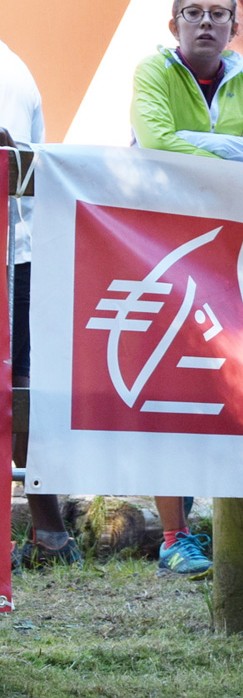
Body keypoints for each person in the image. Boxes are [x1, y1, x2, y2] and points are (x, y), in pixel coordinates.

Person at [131, 0, 243, 578]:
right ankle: (174, 537)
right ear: (173, 22)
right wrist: (233, 153)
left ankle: (219, 529)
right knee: (168, 389)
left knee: (225, 386)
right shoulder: (153, 73)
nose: (206, 23)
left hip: (227, 253)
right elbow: (156, 144)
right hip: (159, 251)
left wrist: (200, 149)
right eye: (194, 13)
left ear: (234, 27)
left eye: (219, 15)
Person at [1, 38, 82, 569]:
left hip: (11, 250)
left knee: (20, 382)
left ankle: (49, 531)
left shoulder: (8, 69)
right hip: (20, 246)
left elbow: (12, 156)